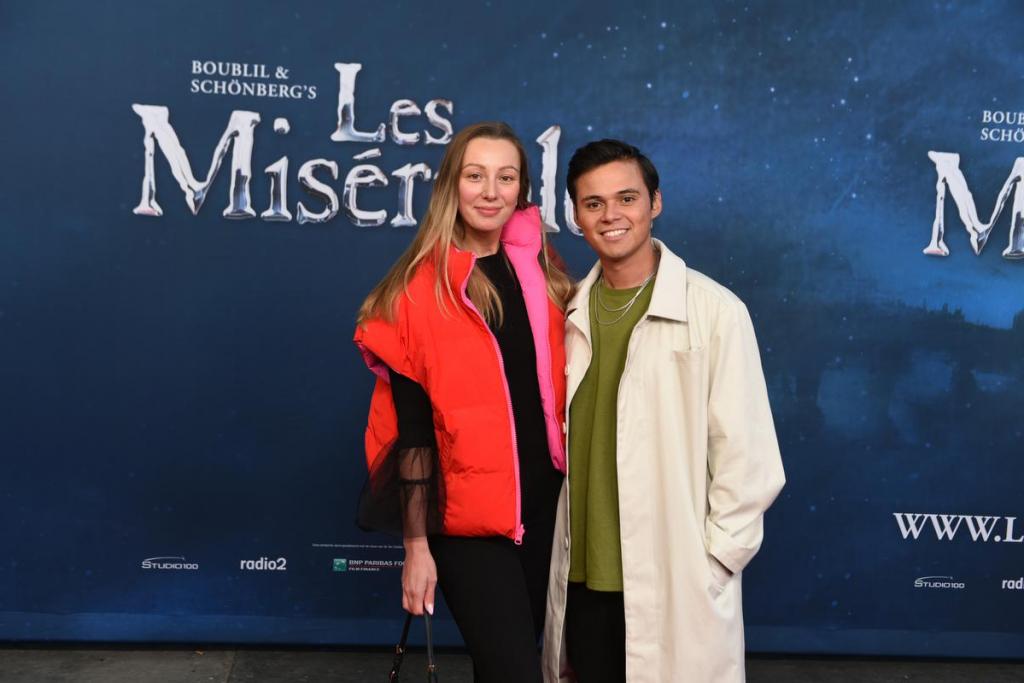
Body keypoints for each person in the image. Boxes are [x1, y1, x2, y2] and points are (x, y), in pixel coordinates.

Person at [542, 139, 786, 683]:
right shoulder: (565, 312)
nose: (611, 215)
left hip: (677, 580)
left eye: (626, 198)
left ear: (655, 203)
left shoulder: (714, 311)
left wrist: (716, 561)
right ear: (576, 216)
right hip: (583, 578)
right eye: (593, 203)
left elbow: (748, 456)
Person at [354, 122, 573, 683]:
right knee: (514, 673)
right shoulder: (415, 293)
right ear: (451, 184)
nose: (491, 192)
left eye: (506, 177)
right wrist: (416, 546)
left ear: (522, 189)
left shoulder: (544, 277)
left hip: (547, 513)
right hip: (466, 526)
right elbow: (412, 433)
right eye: (475, 176)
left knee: (509, 667)